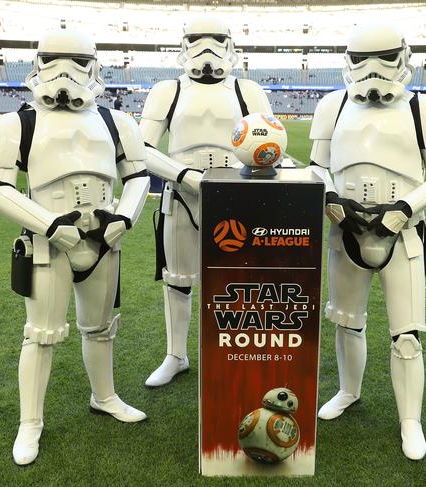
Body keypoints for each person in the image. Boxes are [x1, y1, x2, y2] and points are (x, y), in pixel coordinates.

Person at [0, 30, 150, 466]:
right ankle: (30, 423)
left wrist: (125, 219)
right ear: (37, 62)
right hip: (47, 244)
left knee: (100, 327)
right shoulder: (16, 123)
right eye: (53, 59)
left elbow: (138, 177)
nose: (64, 71)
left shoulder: (118, 122)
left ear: (93, 66)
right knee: (40, 335)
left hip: (103, 239)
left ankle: (105, 397)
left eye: (75, 61)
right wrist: (51, 226)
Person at [309, 24, 426, 460]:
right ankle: (348, 391)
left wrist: (406, 208)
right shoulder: (330, 105)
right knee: (346, 321)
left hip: (404, 235)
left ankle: (410, 421)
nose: (372, 69)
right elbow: (318, 166)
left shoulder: (425, 109)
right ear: (347, 61)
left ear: (403, 57)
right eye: (361, 59)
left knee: (407, 335)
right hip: (345, 232)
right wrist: (330, 197)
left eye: (384, 57)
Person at [139, 16, 272, 387]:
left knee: (237, 283)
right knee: (178, 280)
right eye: (197, 39)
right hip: (181, 197)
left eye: (216, 39)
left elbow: (270, 145)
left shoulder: (248, 90)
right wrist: (185, 176)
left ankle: (233, 353)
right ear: (184, 45)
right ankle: (176, 355)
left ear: (230, 45)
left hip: (237, 199)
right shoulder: (168, 90)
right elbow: (141, 148)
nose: (207, 47)